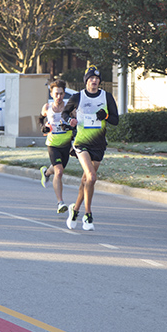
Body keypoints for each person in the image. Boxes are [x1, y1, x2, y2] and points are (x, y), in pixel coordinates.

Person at [61, 66, 119, 230]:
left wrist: (105, 116)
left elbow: (115, 120)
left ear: (100, 81)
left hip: (98, 144)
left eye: (97, 78)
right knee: (91, 177)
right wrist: (69, 121)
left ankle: (75, 209)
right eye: (91, 78)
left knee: (86, 180)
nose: (94, 81)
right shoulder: (78, 97)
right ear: (86, 80)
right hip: (81, 143)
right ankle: (88, 215)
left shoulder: (106, 96)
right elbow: (65, 114)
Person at [39, 79, 74, 215]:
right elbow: (41, 119)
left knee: (56, 169)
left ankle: (46, 173)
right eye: (56, 94)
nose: (59, 97)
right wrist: (43, 128)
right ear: (51, 94)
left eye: (61, 94)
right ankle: (60, 202)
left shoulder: (69, 108)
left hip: (66, 144)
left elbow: (76, 123)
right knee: (59, 172)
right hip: (53, 144)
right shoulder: (47, 107)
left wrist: (70, 125)